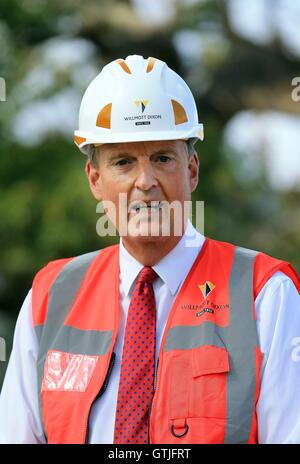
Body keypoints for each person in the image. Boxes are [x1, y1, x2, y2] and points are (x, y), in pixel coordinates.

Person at [0, 55, 299, 445]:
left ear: (191, 170)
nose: (145, 181)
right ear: (95, 179)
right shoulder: (50, 297)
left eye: (162, 158)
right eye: (123, 162)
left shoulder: (265, 295)